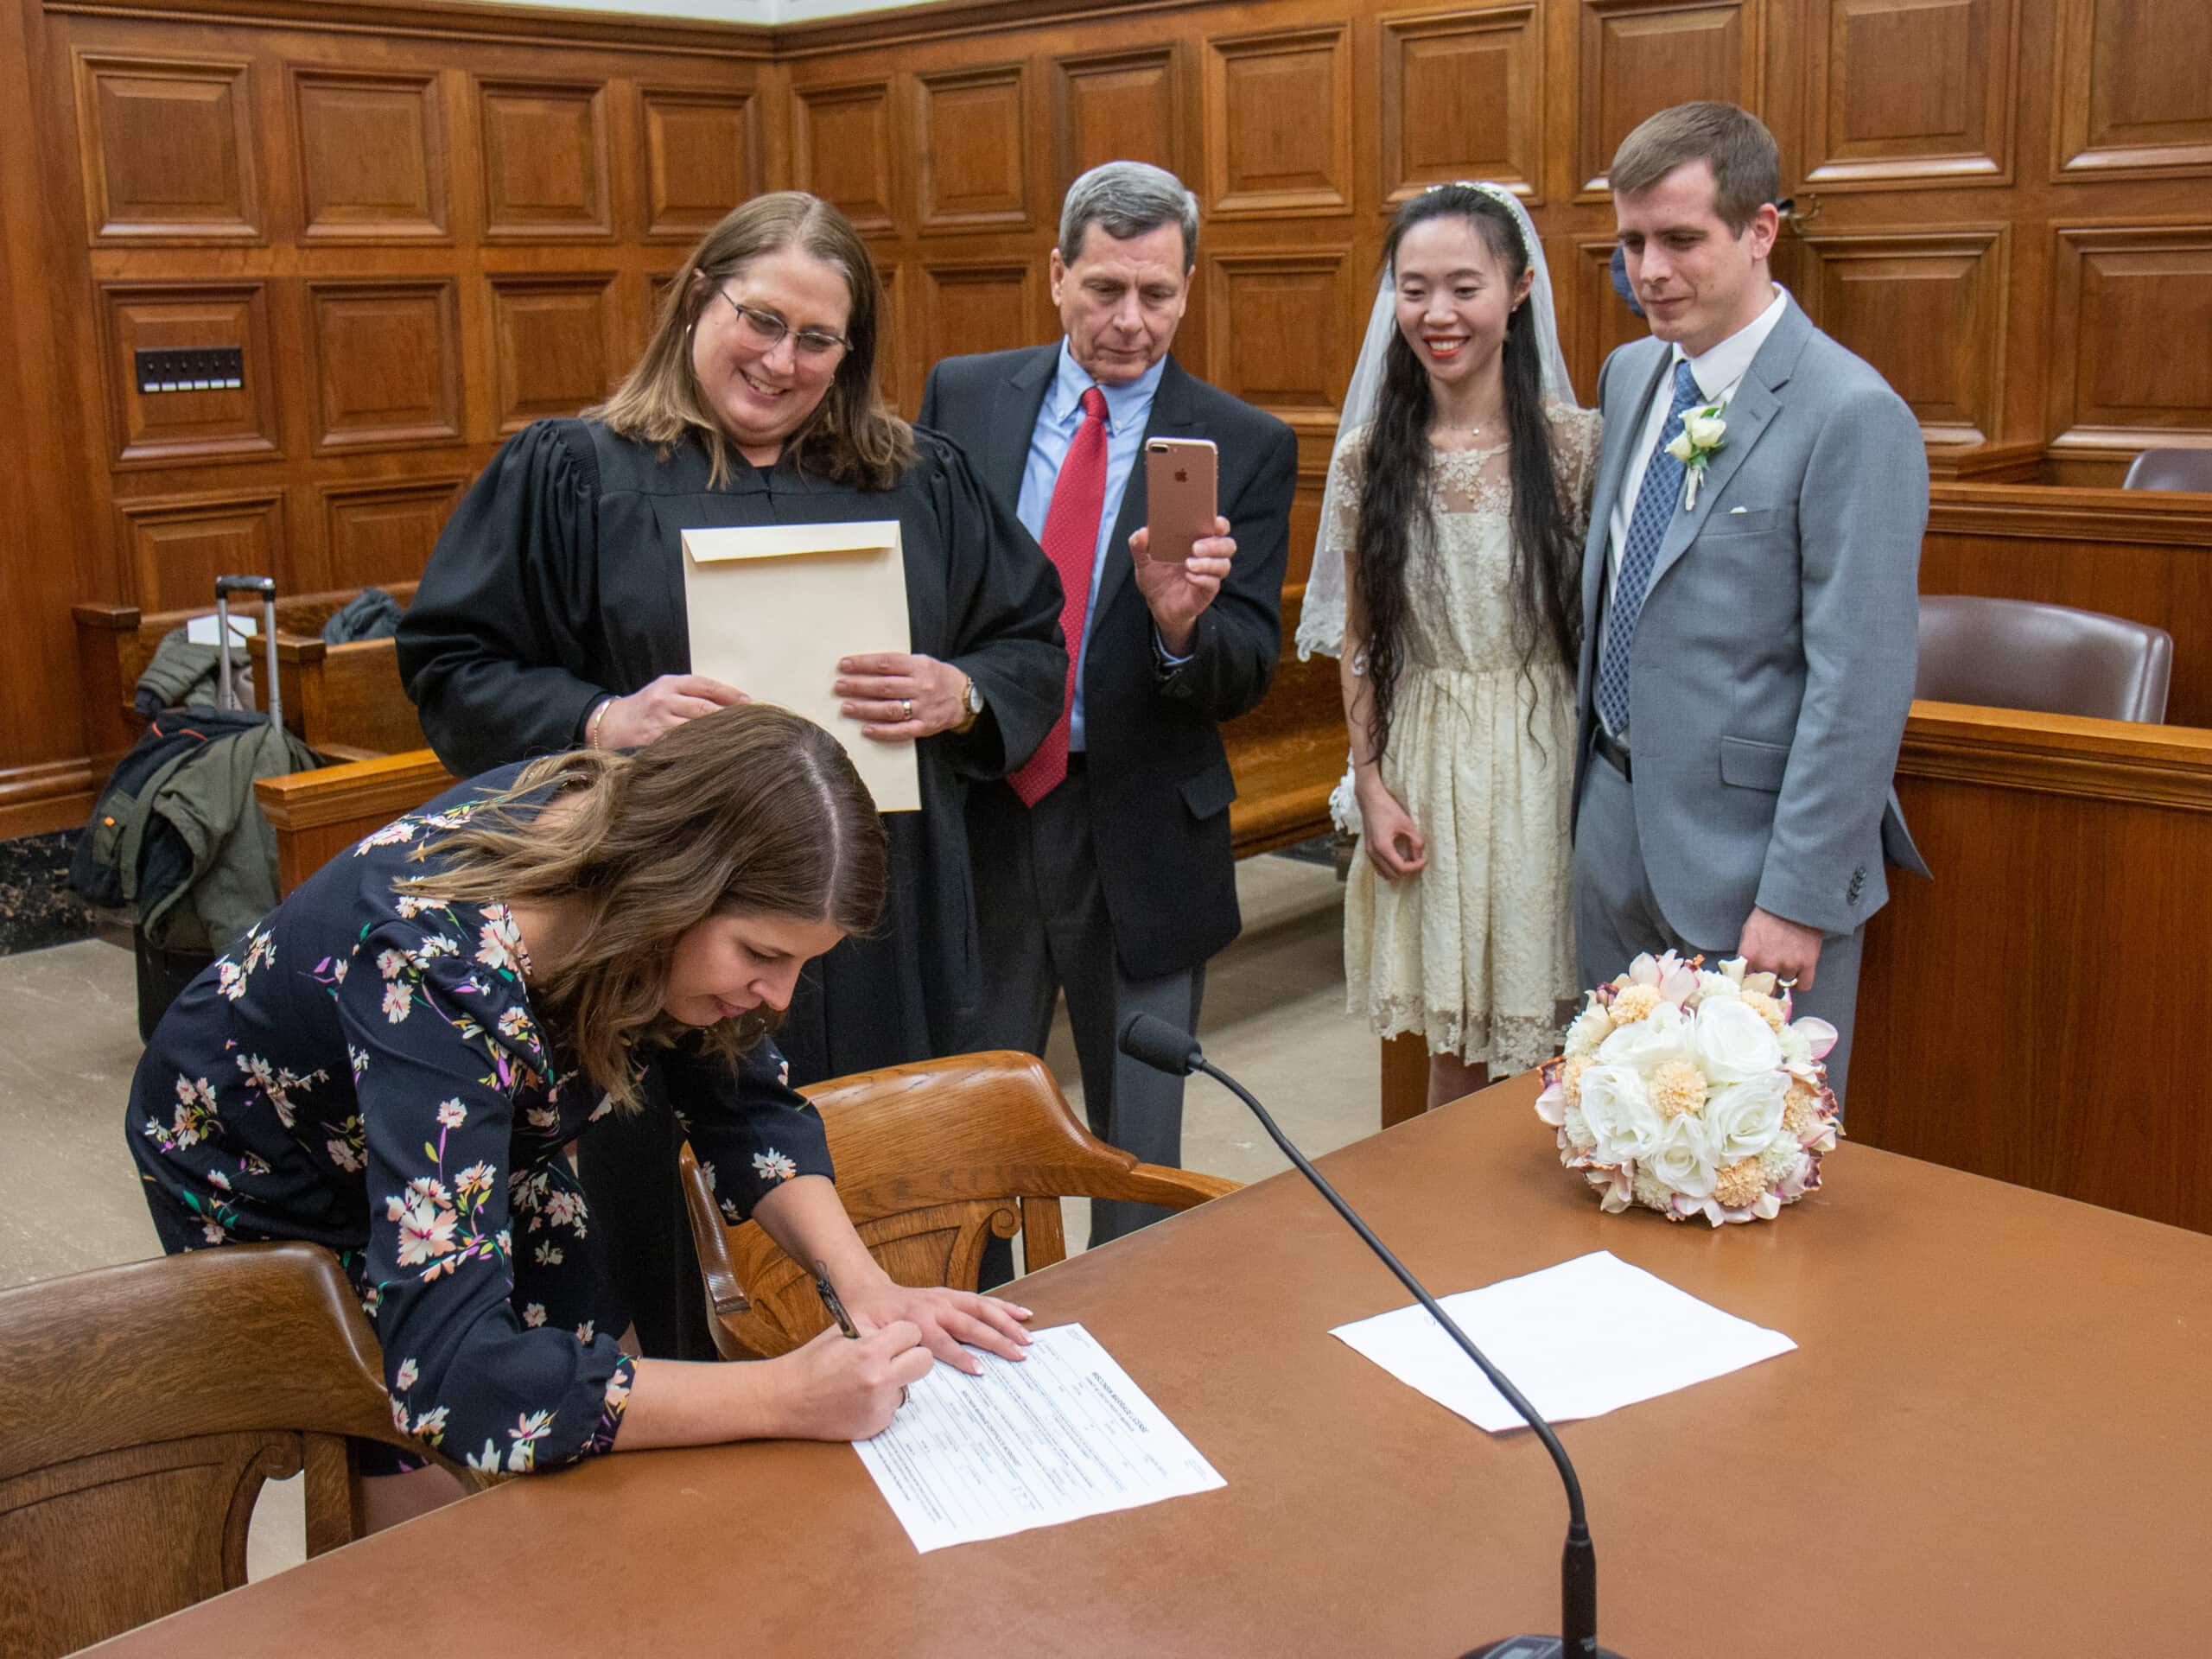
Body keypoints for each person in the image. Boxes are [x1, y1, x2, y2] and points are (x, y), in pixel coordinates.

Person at [395, 192, 1064, 1353]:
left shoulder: (921, 479)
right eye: (760, 319)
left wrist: (963, 691)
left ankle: (914, 1367)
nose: (781, 359)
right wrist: (601, 716)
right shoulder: (572, 474)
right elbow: (453, 661)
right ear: (699, 297)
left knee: (899, 1173)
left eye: (818, 339)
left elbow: (1031, 641)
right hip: (651, 934)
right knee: (638, 1206)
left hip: (883, 922)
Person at [126, 704, 1034, 1529]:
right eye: (761, 954)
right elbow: (458, 1382)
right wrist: (782, 1396)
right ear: (673, 888)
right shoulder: (441, 969)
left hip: (477, 1127)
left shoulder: (640, 874)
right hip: (270, 1161)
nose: (777, 995)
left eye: (803, 962)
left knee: (604, 1430)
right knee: (443, 1495)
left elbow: (745, 1106)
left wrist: (864, 1289)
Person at [918, 161, 1296, 1254]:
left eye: (1158, 294)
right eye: (1103, 290)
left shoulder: (1242, 443)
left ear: (1189, 288)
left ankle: (1131, 1346)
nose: (1131, 321)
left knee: (1138, 1130)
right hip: (984, 802)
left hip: (1137, 821)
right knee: (971, 1102)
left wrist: (1181, 624)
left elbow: (1247, 666)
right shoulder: (963, 395)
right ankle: (970, 1318)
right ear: (1055, 277)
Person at [1572, 102, 1930, 1103]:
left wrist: (1798, 899)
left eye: (1680, 239)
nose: (1648, 271)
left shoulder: (1852, 414)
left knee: (1738, 1171)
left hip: (1749, 871)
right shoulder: (1633, 370)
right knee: (1609, 1143)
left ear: (1761, 229)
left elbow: (1860, 679)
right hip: (1611, 828)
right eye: (1632, 241)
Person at [1298, 183, 1599, 1109]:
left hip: (1545, 754)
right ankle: (1454, 1246)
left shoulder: (1574, 447)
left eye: (1463, 287)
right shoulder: (1366, 455)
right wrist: (1374, 780)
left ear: (1518, 290)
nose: (1437, 314)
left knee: (1568, 1038)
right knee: (1452, 1052)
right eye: (1413, 287)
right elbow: (1361, 638)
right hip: (1425, 755)